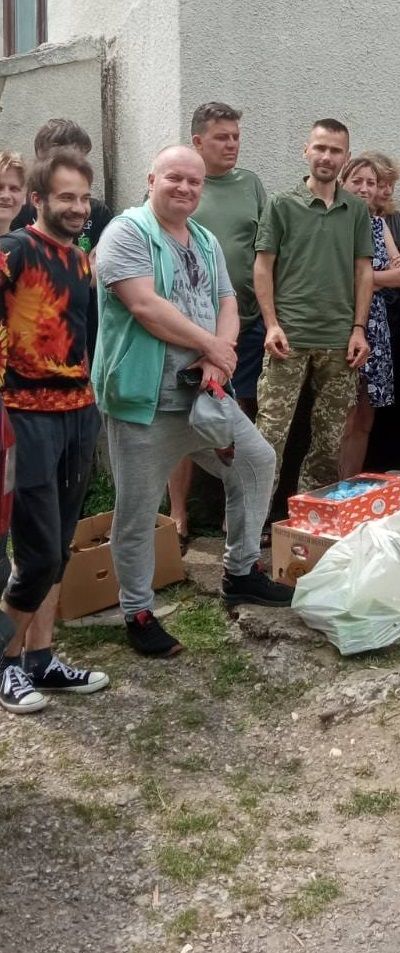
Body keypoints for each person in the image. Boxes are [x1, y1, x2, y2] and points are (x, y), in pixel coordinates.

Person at [94, 146, 292, 659]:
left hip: (204, 392)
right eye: (174, 178)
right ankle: (137, 611)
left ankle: (241, 571)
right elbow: (144, 306)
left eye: (194, 182)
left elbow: (227, 302)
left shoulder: (203, 238)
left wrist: (215, 357)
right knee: (138, 511)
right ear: (152, 178)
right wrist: (213, 348)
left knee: (255, 461)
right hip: (146, 401)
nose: (185, 188)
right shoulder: (127, 232)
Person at [0, 148, 107, 713]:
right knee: (36, 552)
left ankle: (41, 660)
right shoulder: (13, 252)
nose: (77, 207)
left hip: (78, 413)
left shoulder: (82, 260)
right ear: (37, 199)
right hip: (26, 417)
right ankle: (6, 663)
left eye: (84, 198)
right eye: (66, 196)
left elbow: (84, 338)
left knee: (59, 546)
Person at [166, 101, 268, 549]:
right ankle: (179, 515)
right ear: (198, 142)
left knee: (237, 414)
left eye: (236, 136)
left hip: (244, 324)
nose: (232, 144)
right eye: (222, 137)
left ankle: (236, 514)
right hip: (188, 331)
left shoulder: (252, 185)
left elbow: (267, 249)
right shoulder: (185, 187)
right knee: (179, 419)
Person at [253, 119, 373, 494]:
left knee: (329, 440)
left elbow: (363, 271)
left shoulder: (355, 210)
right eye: (320, 148)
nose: (326, 156)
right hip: (287, 338)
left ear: (346, 158)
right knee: (268, 435)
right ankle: (248, 527)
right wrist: (271, 323)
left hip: (339, 342)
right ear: (306, 151)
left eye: (335, 150)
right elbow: (263, 266)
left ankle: (311, 520)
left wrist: (358, 328)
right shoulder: (281, 204)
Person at [12, 118, 113, 361]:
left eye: (81, 158)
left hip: (84, 334)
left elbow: (100, 271)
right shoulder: (18, 213)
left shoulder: (97, 212)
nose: (76, 167)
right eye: (67, 160)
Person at [338, 156, 400, 476]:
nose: (365, 188)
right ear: (343, 183)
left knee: (366, 415)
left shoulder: (379, 224)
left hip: (377, 326)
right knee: (344, 414)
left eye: (371, 182)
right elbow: (336, 276)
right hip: (343, 323)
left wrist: (366, 278)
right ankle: (334, 489)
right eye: (358, 181)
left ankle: (352, 486)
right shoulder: (334, 223)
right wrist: (379, 276)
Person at [358, 150, 400, 470]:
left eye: (388, 184)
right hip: (356, 319)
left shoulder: (389, 220)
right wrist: (372, 280)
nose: (384, 190)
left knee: (381, 401)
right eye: (379, 183)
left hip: (387, 317)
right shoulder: (356, 220)